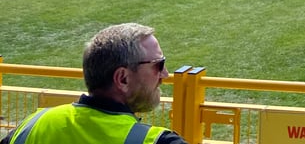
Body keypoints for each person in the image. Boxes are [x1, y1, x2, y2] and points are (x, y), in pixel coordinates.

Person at [0, 22, 187, 144]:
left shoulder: (31, 127)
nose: (165, 74)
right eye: (158, 65)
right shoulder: (156, 141)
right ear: (123, 78)